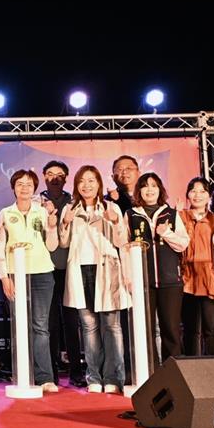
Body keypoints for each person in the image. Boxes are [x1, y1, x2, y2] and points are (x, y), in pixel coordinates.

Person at [58, 165, 129, 393]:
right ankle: (94, 378)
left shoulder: (111, 207)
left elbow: (121, 242)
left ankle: (113, 378)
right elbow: (63, 243)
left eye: (91, 180)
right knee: (88, 327)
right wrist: (65, 222)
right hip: (80, 270)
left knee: (111, 326)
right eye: (82, 181)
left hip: (106, 269)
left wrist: (115, 222)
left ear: (99, 183)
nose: (86, 185)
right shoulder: (70, 208)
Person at [0, 170, 60, 392]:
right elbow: (0, 248)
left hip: (42, 272)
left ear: (34, 188)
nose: (24, 188)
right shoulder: (5, 213)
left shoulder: (42, 212)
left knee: (40, 327)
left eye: (29, 184)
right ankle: (22, 374)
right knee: (20, 325)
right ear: (13, 187)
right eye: (20, 184)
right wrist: (4, 277)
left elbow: (52, 246)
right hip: (16, 274)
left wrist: (53, 226)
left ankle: (45, 378)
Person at [125, 172, 190, 364]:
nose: (150, 190)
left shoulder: (171, 213)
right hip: (142, 281)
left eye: (154, 186)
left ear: (160, 189)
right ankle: (149, 371)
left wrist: (166, 233)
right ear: (139, 191)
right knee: (145, 329)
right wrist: (129, 277)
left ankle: (173, 371)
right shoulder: (131, 215)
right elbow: (124, 248)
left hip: (170, 280)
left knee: (171, 329)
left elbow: (183, 244)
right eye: (145, 186)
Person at [42, 160, 86, 387]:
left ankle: (76, 371)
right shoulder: (36, 203)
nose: (55, 178)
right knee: (49, 323)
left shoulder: (76, 202)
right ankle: (49, 372)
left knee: (72, 321)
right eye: (50, 174)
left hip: (71, 267)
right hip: (45, 269)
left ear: (67, 178)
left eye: (60, 174)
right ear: (44, 177)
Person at [179, 178, 214, 356]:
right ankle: (190, 366)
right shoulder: (180, 216)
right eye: (193, 191)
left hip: (210, 277)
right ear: (187, 195)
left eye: (202, 191)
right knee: (190, 329)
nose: (197, 195)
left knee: (211, 328)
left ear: (209, 196)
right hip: (187, 278)